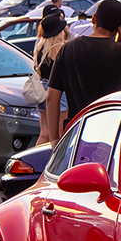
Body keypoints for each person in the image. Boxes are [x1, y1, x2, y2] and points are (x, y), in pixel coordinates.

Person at [45, 0, 121, 136]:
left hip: (76, 131)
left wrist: (54, 139)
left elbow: (52, 97)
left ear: (94, 18)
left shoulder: (68, 49)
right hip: (111, 132)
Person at [33, 10, 70, 146]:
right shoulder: (58, 48)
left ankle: (37, 161)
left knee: (45, 133)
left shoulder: (40, 46)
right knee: (60, 133)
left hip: (41, 88)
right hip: (57, 92)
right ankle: (55, 164)